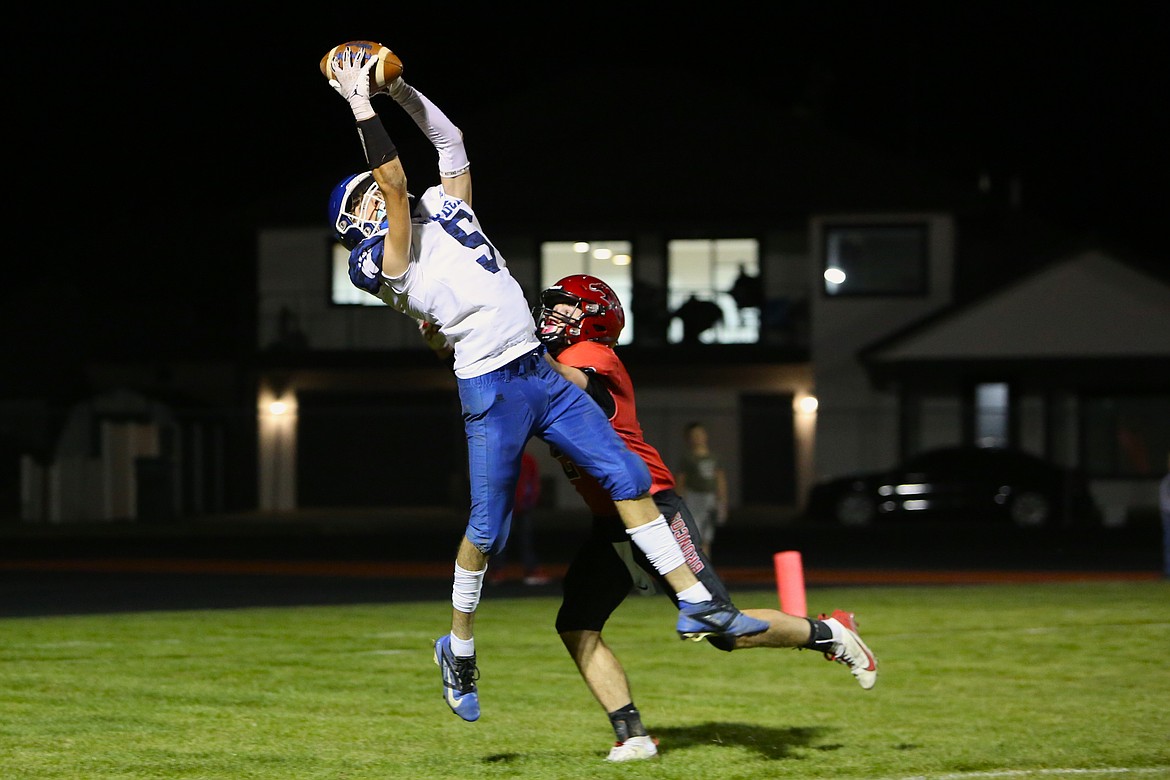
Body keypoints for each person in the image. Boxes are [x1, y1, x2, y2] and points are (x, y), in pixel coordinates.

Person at [323, 49, 769, 723]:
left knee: (626, 476)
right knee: (488, 528)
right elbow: (390, 185)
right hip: (492, 386)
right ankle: (460, 644)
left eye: (367, 192)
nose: (375, 199)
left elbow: (450, 142)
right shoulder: (376, 261)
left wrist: (403, 90)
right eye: (360, 201)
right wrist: (361, 103)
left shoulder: (442, 207)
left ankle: (695, 598)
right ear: (353, 225)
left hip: (536, 366)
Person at [534, 274, 878, 761]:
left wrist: (516, 344)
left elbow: (564, 382)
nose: (554, 316)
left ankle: (831, 634)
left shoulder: (590, 356)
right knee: (577, 624)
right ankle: (632, 735)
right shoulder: (553, 361)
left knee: (724, 631)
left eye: (567, 308)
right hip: (609, 521)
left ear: (594, 318)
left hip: (650, 508)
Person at [488, 448, 550, 586]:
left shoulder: (527, 459)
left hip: (523, 506)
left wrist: (531, 500)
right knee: (501, 542)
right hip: (505, 507)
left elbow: (534, 482)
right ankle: (497, 572)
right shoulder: (500, 458)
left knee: (526, 540)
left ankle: (530, 571)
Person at [676, 421, 729, 558]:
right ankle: (696, 565)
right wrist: (678, 500)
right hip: (694, 497)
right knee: (694, 533)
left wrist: (722, 501)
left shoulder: (714, 457)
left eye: (700, 434)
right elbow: (681, 480)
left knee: (707, 535)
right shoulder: (688, 458)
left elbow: (720, 479)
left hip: (709, 497)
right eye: (694, 435)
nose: (698, 438)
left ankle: (707, 566)